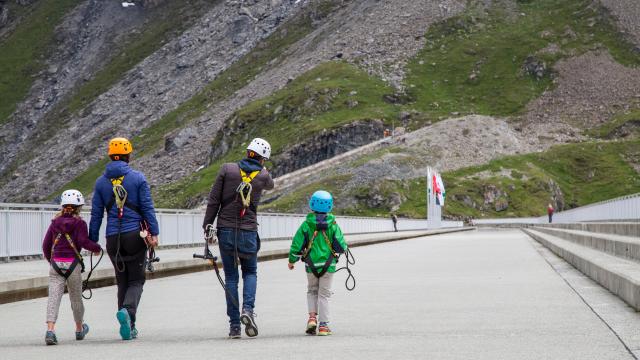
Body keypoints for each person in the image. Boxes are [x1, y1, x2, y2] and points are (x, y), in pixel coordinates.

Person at [203, 138, 274, 339]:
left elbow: (214, 200)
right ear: (263, 158)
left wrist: (207, 225)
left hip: (225, 229)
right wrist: (263, 168)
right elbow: (271, 185)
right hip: (248, 231)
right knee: (250, 272)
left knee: (231, 277)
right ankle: (247, 311)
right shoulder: (263, 175)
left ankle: (234, 326)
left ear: (248, 151)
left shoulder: (227, 169)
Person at [89, 137, 159, 341]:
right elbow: (147, 208)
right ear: (128, 155)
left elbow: (96, 215)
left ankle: (129, 323)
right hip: (134, 236)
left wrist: (93, 241)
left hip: (113, 238)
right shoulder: (138, 178)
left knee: (122, 281)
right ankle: (128, 313)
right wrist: (153, 232)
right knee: (136, 280)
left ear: (110, 155)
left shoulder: (101, 182)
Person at [42, 190, 102, 345]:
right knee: (76, 298)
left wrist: (52, 262)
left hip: (56, 264)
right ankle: (79, 329)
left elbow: (46, 245)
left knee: (53, 297)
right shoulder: (79, 223)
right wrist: (97, 248)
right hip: (72, 265)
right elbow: (83, 242)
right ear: (78, 207)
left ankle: (50, 330)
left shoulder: (55, 222)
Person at [288, 190, 348, 336]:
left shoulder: (306, 224)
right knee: (324, 294)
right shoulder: (333, 225)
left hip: (311, 265)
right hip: (329, 265)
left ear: (312, 204)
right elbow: (341, 246)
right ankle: (323, 326)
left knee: (312, 291)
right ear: (330, 206)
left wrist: (292, 260)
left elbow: (297, 244)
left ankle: (312, 318)